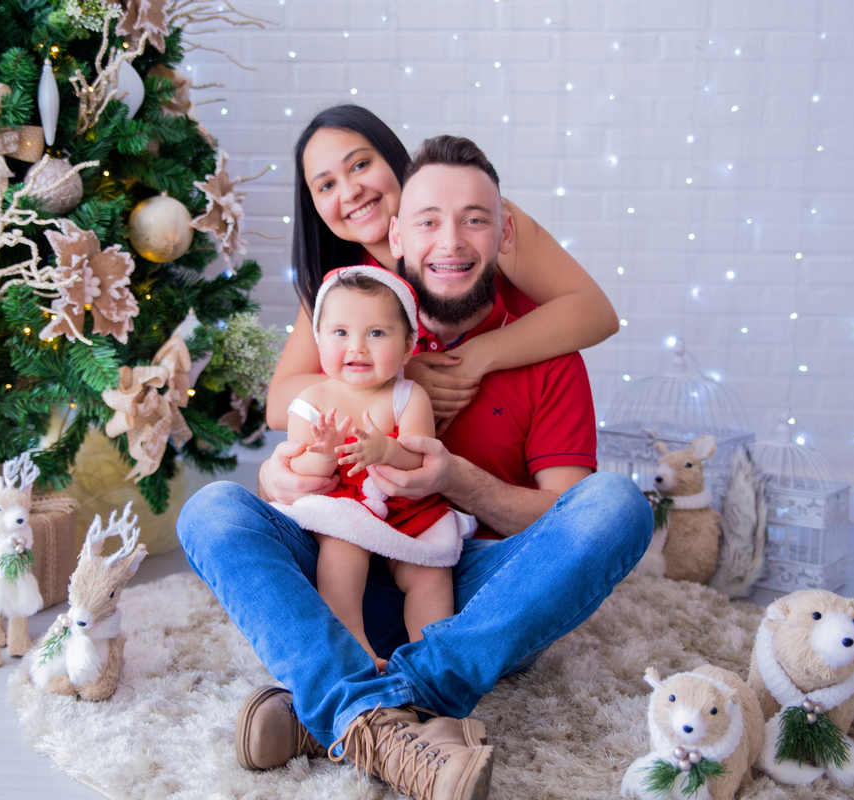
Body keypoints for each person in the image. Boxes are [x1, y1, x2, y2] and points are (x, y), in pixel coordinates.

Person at [177, 134, 653, 800]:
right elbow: (295, 411)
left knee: (620, 505)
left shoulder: (548, 353)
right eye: (429, 222)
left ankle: (347, 704)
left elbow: (568, 515)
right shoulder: (366, 324)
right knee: (212, 509)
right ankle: (391, 714)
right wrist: (279, 477)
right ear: (395, 235)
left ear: (504, 234)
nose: (450, 242)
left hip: (467, 596)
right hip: (341, 563)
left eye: (474, 220)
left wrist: (456, 479)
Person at [268, 104, 620, 435]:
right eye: (326, 185)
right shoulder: (340, 282)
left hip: (520, 420)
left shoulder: (479, 220)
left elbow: (596, 312)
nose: (350, 192)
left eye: (360, 165)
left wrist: (477, 355)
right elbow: (278, 403)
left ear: (392, 159)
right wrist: (398, 379)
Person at [275, 266, 477, 672]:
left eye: (377, 333)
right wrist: (324, 454)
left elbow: (420, 459)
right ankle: (353, 644)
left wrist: (386, 449)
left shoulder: (409, 396)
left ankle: (429, 657)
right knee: (341, 550)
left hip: (405, 510)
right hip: (344, 507)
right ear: (318, 339)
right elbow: (300, 470)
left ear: (407, 347)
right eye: (340, 332)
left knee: (430, 572)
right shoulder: (310, 401)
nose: (358, 347)